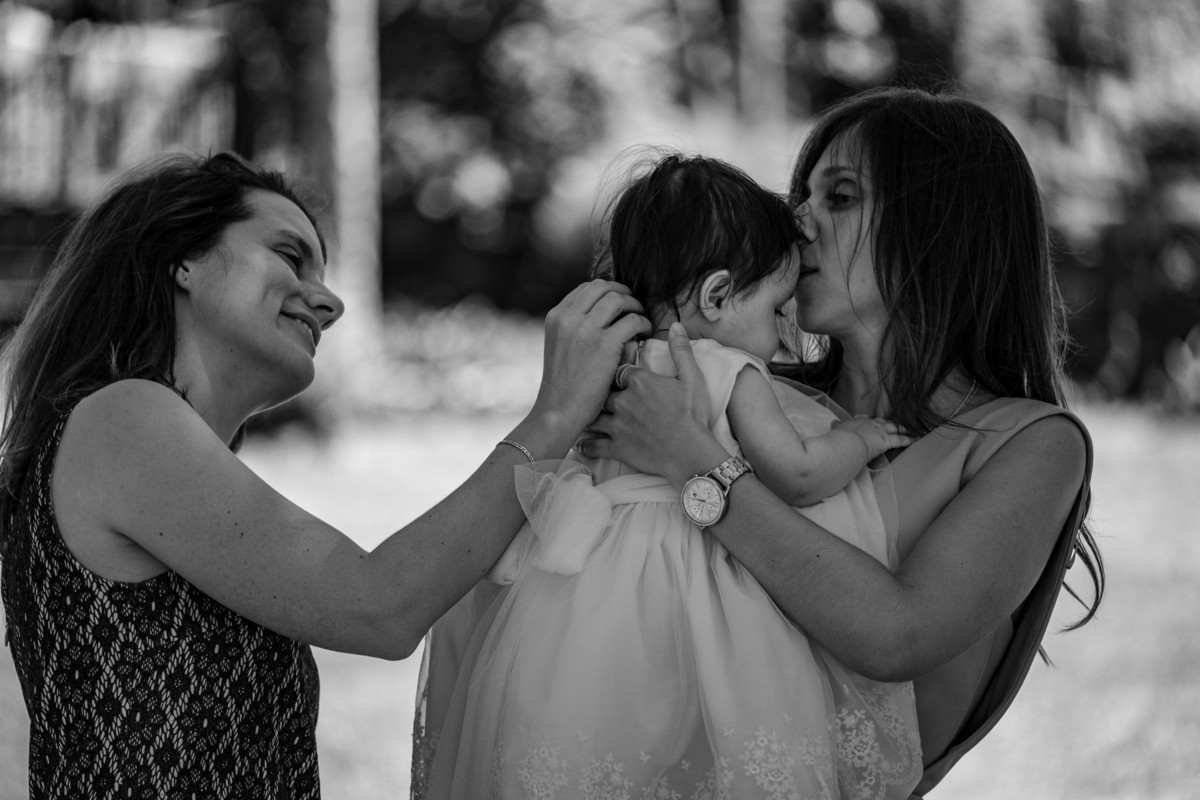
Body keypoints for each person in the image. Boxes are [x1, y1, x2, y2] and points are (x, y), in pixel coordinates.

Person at [0, 151, 648, 799]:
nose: (330, 301)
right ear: (182, 259)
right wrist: (555, 412)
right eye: (290, 255)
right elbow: (380, 607)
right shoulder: (125, 418)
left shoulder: (133, 435)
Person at [584, 87, 1106, 796]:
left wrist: (695, 466)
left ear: (940, 226)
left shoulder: (1031, 446)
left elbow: (898, 634)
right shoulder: (745, 398)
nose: (795, 225)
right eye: (802, 196)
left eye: (840, 196)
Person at [412, 153, 923, 800]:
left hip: (579, 592)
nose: (778, 337)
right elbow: (797, 475)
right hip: (688, 579)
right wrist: (859, 436)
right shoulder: (724, 369)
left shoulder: (608, 366)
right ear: (716, 296)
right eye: (774, 312)